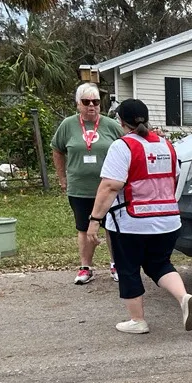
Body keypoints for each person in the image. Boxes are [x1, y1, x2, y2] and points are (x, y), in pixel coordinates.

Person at [86, 98, 192, 335]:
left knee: (128, 268)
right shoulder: (166, 145)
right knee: (160, 264)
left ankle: (137, 320)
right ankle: (183, 297)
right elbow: (174, 179)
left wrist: (95, 220)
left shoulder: (122, 146)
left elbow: (110, 186)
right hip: (169, 221)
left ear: (121, 121)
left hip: (131, 222)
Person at [51, 83, 123, 284]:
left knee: (112, 227)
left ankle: (116, 264)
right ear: (78, 104)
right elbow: (57, 150)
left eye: (96, 102)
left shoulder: (111, 125)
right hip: (80, 188)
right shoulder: (68, 125)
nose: (92, 106)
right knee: (83, 228)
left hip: (108, 188)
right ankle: (86, 267)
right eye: (86, 102)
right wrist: (62, 178)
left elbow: (128, 146)